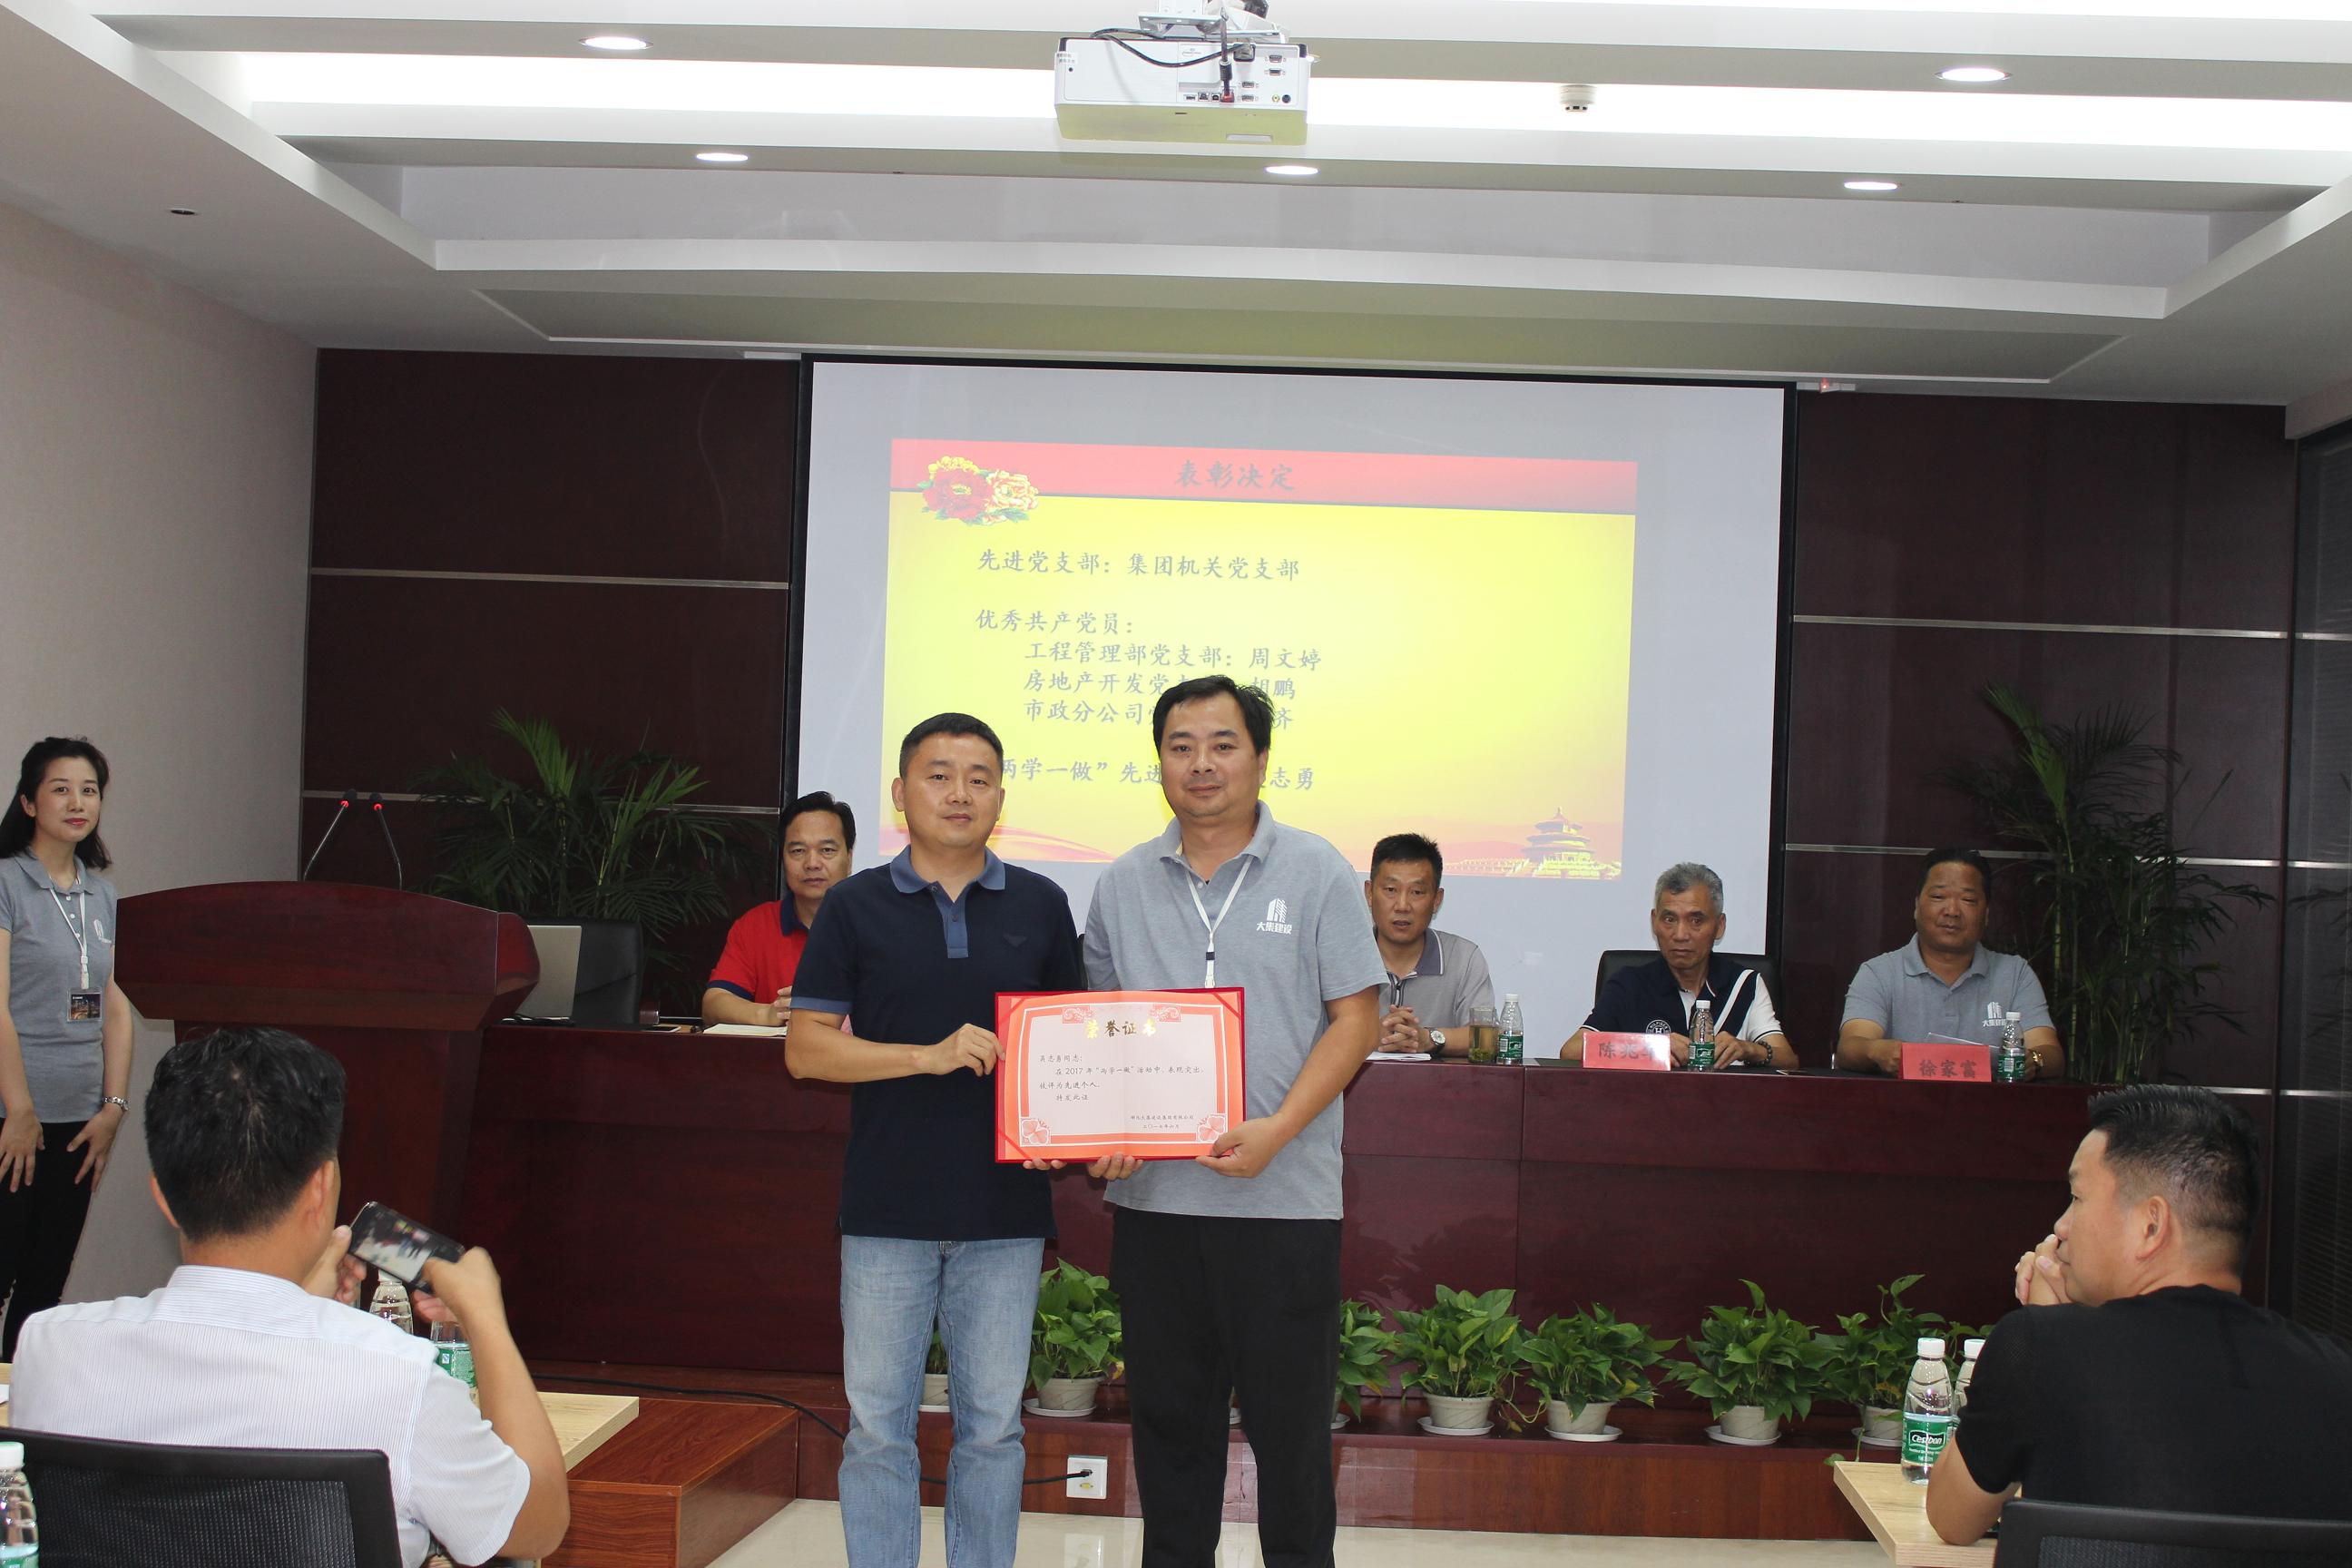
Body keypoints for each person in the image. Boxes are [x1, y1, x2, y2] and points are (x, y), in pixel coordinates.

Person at [11, 1026, 569, 1566]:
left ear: (164, 1197)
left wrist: (303, 1304)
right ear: (322, 1186)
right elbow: (536, 1527)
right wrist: (484, 1318)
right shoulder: (397, 1379)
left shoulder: (49, 1347)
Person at [1083, 675, 1381, 1568]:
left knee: (1292, 1441)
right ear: (1159, 761)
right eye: (1181, 746)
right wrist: (1104, 1130)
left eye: (1222, 744)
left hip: (1283, 1204)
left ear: (1260, 757)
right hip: (1157, 1209)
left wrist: (1279, 1128)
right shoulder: (1122, 883)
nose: (1201, 764)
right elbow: (1100, 1028)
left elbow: (1356, 1020)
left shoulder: (1318, 870)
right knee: (1170, 1438)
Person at [786, 714, 1083, 1568]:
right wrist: (926, 1055)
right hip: (887, 1210)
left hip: (1004, 1213)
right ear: (900, 794)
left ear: (1001, 797)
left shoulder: (1041, 904)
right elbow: (806, 1051)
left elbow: (1070, 1049)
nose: (960, 793)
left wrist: (1075, 1126)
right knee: (879, 1428)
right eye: (940, 775)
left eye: (979, 778)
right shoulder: (854, 905)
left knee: (993, 1429)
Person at [1926, 1084, 2352, 1541]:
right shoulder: (2338, 1373)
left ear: (2151, 1225)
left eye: (2077, 1197)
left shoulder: (2041, 1347)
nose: (2061, 1226)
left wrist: (2049, 1330)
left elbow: (1952, 1519)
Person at [0, 737, 133, 1357]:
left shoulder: (100, 894)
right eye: (61, 789)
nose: (78, 802)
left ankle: (19, 1407)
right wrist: (20, 1109)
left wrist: (112, 1107)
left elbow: (114, 1004)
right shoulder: (7, 881)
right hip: (13, 1118)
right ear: (29, 802)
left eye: (89, 790)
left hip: (80, 1121)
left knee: (44, 1284)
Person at [1836, 848, 2064, 1077]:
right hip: (1903, 1099)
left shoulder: (2015, 974)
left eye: (1968, 900)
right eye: (1938, 897)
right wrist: (1877, 1050)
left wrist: (2034, 1060)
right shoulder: (1878, 972)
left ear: (1986, 914)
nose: (1952, 911)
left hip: (1992, 1100)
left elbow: (2050, 1052)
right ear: (1916, 906)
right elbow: (1850, 1047)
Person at [1561, 862, 1797, 1069]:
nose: (1680, 934)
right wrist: (1651, 1047)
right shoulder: (1630, 984)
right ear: (1654, 922)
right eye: (1669, 919)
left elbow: (1788, 1060)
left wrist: (1750, 1050)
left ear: (1719, 926)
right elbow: (1571, 1051)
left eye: (1696, 920)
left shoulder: (1744, 984)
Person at [702, 790, 856, 1027]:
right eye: (798, 851)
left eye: (827, 850)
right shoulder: (756, 925)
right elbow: (714, 1004)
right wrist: (770, 1013)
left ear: (849, 859)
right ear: (783, 858)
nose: (812, 863)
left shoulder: (878, 925)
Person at [1364, 833, 1494, 1058]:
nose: (1402, 906)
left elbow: (1487, 1039)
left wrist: (1429, 1038)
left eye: (1417, 892)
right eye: (1391, 890)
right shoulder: (1343, 956)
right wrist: (1368, 1035)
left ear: (1436, 900)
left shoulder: (1463, 957)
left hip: (1439, 1081)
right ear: (1369, 893)